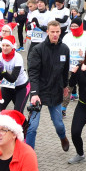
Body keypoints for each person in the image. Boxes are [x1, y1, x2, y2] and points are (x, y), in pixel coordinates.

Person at [25, 20, 71, 150]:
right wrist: (34, 93)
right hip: (38, 92)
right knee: (32, 127)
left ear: (60, 32)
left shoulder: (64, 49)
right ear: (47, 32)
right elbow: (33, 73)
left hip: (55, 91)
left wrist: (65, 86)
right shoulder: (38, 50)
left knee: (59, 124)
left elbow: (65, 70)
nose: (55, 34)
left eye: (57, 32)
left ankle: (63, 137)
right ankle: (29, 154)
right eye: (52, 32)